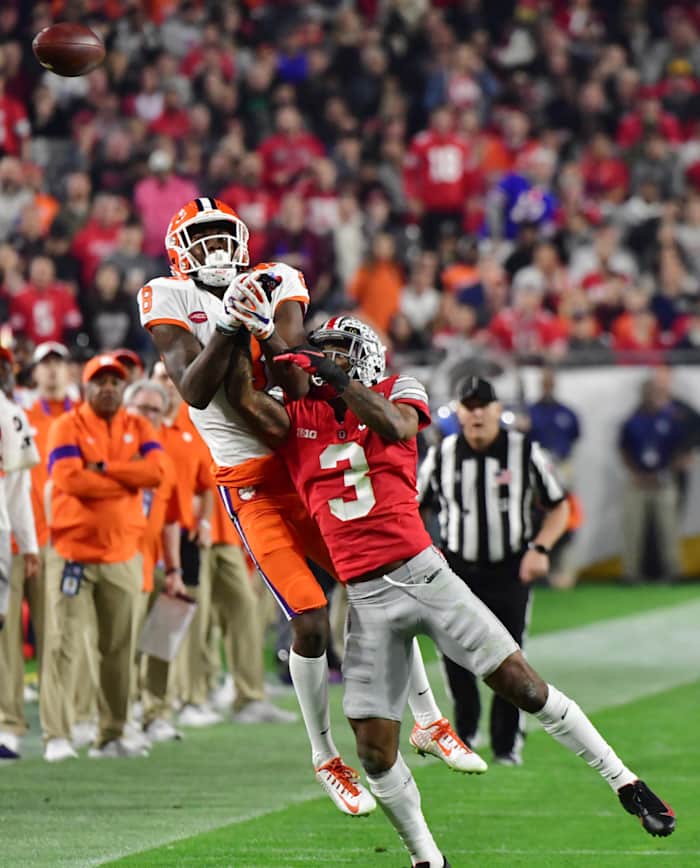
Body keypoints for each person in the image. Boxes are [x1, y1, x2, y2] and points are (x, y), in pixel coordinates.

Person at [224, 313, 675, 867]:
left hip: (424, 575)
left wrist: (341, 382)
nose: (327, 360)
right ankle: (427, 858)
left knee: (524, 687)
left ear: (362, 352)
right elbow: (241, 398)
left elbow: (396, 427)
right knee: (373, 750)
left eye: (338, 351)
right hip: (365, 598)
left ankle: (625, 781)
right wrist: (243, 327)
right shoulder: (299, 415)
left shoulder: (398, 389)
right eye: (324, 354)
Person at [138, 198, 481, 815]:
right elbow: (192, 388)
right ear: (179, 249)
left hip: (300, 463)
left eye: (223, 237)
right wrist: (232, 325)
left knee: (384, 585)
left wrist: (263, 325)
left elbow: (295, 383)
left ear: (242, 240)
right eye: (202, 239)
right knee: (312, 619)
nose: (216, 250)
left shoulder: (280, 280)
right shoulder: (164, 293)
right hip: (247, 481)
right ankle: (324, 756)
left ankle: (429, 719)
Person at [418, 376, 569, 765]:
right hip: (456, 572)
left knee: (509, 658)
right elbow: (414, 507)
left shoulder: (523, 452)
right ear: (459, 411)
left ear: (497, 410)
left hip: (508, 569)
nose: (477, 412)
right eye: (469, 405)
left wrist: (540, 548)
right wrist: (424, 550)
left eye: (484, 404)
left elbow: (558, 505)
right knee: (454, 657)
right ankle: (463, 735)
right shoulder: (442, 454)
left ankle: (506, 747)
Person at [40, 354, 165, 761]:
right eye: (100, 381)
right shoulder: (66, 425)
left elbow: (156, 474)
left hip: (122, 552)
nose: (108, 387)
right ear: (87, 387)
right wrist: (124, 476)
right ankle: (57, 735)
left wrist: (103, 468)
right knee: (62, 644)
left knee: (119, 647)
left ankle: (110, 734)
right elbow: (69, 479)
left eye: (115, 381)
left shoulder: (139, 425)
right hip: (71, 551)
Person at [0, 345, 40, 762]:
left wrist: (27, 545)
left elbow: (18, 488)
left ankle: (8, 726)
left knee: (4, 642)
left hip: (1, 538)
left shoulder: (9, 415)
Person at [618, 376, 684, 583]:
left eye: (656, 392)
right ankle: (630, 573)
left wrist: (665, 472)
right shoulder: (632, 420)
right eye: (649, 392)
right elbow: (624, 450)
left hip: (663, 481)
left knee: (668, 528)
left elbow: (680, 451)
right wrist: (636, 473)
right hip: (638, 482)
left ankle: (673, 571)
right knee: (633, 529)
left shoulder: (671, 419)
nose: (652, 396)